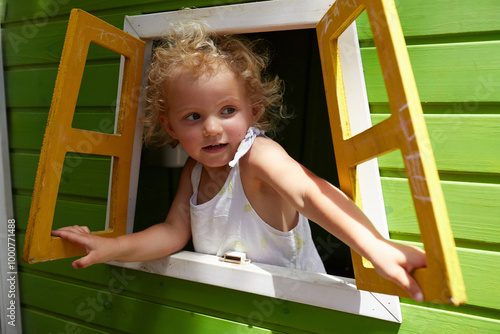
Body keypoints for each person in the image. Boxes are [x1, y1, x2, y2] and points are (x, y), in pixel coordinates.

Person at [52, 21, 426, 302]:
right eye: (193, 117)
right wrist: (114, 247)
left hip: (295, 309)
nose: (212, 128)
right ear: (171, 126)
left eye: (227, 110)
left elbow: (309, 193)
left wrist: (374, 246)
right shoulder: (194, 171)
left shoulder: (258, 156)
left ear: (253, 112)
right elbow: (172, 232)